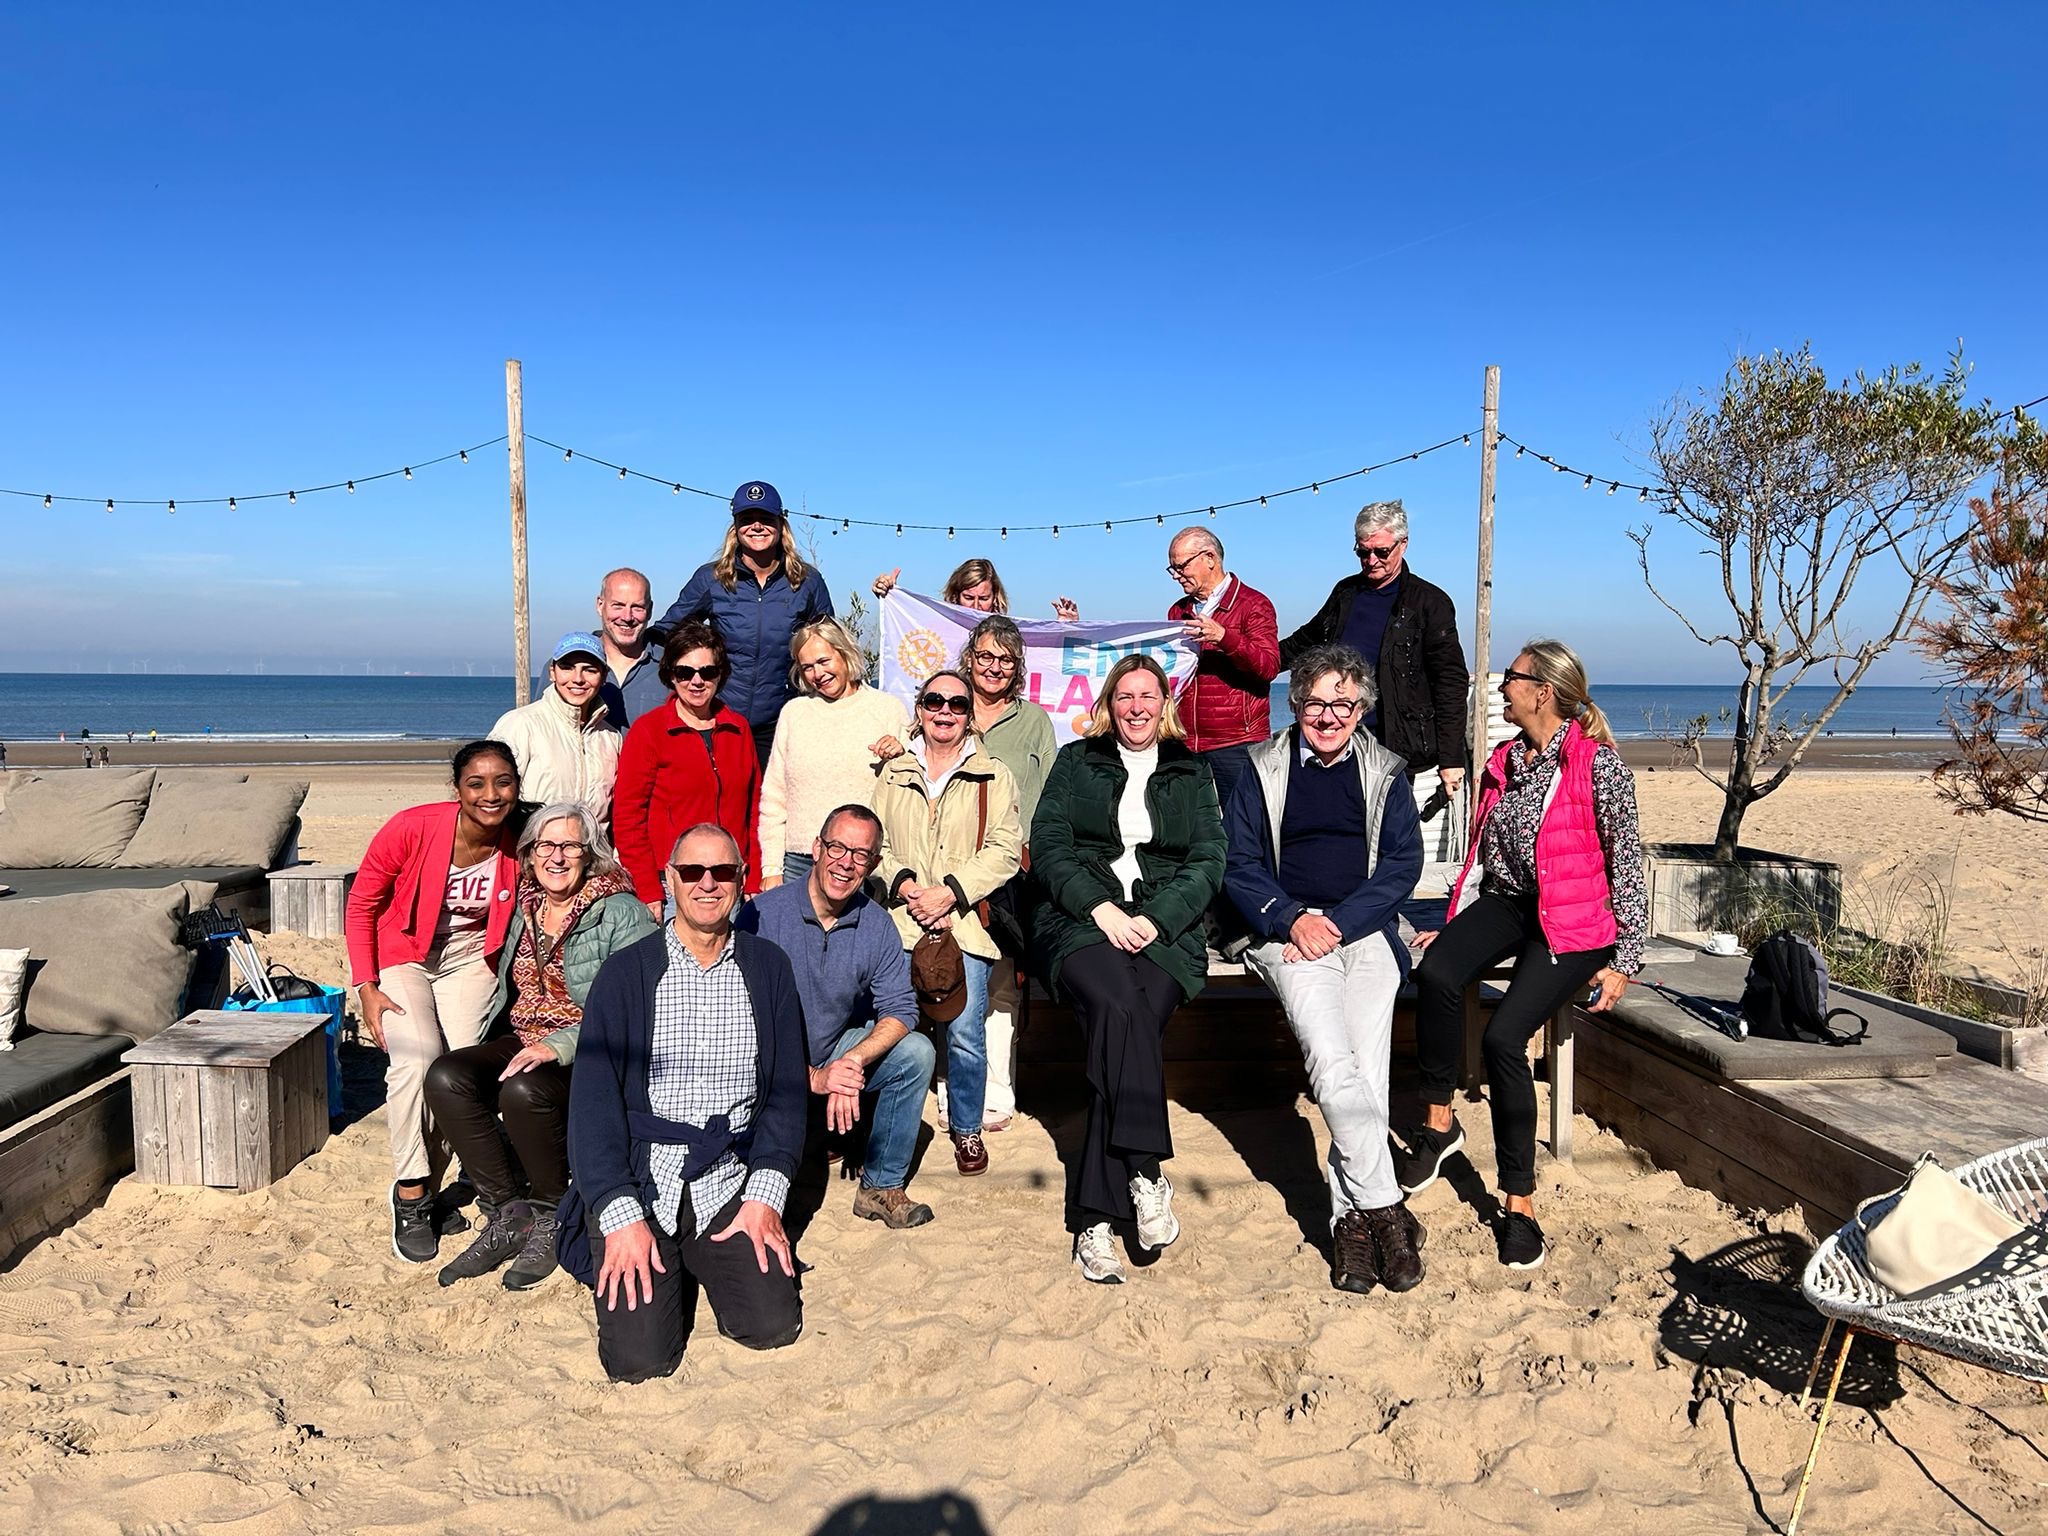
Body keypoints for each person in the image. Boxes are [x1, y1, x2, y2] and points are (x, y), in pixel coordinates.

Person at [1403, 640, 1648, 1272]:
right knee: (1436, 972)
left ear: (1543, 692)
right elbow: (1483, 855)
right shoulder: (1507, 761)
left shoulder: (1597, 765)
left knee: (1503, 1039)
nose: (1500, 687)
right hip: (1511, 904)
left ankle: (1519, 1205)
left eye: (1510, 678)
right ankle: (1440, 1124)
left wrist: (1625, 959)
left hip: (1575, 920)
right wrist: (1454, 927)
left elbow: (1626, 861)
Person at [560, 823, 806, 1383]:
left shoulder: (768, 967)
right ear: (670, 879)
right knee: (640, 1361)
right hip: (645, 1178)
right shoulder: (626, 974)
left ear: (742, 880)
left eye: (722, 871)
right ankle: (665, 1261)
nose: (707, 884)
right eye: (692, 871)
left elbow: (786, 1095)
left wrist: (765, 1196)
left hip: (729, 1177)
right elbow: (593, 1110)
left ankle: (697, 1260)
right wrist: (620, 1215)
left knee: (771, 1325)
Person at [1223, 644, 1426, 1295]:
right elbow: (1238, 863)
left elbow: (1401, 866)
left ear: (1361, 709)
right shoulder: (1261, 768)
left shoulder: (1385, 771)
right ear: (1295, 705)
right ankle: (1387, 1210)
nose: (1329, 715)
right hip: (1288, 934)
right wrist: (1290, 919)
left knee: (1367, 1072)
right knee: (1332, 1063)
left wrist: (1337, 924)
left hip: (1363, 930)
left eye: (1343, 703)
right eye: (1315, 702)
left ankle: (1349, 1222)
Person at [1028, 655, 1224, 1283]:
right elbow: (1049, 845)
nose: (1136, 708)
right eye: (1125, 697)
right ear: (1108, 705)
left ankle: (1093, 1218)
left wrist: (1158, 920)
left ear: (1164, 703)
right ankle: (1145, 1170)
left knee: (1120, 1031)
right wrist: (1100, 908)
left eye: (1147, 696)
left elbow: (1209, 858)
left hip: (1166, 929)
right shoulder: (1075, 761)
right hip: (1081, 919)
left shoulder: (1191, 769)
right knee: (1118, 1006)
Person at [423, 801, 657, 1290]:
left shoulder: (621, 912)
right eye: (546, 845)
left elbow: (639, 1003)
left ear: (590, 854)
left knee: (523, 1090)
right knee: (447, 1076)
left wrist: (560, 1045)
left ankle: (550, 1213)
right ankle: (508, 1210)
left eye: (570, 845)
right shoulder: (525, 904)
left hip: (592, 1048)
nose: (557, 856)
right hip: (524, 1036)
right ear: (529, 854)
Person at [346, 741, 524, 1264]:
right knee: (417, 1058)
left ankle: (437, 1179)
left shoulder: (522, 839)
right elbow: (362, 903)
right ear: (456, 789)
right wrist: (366, 986)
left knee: (461, 1068)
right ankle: (411, 1193)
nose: (491, 795)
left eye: (503, 782)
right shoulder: (413, 827)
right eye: (476, 783)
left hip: (471, 959)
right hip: (404, 955)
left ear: (517, 786)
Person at [737, 805, 937, 1229]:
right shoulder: (763, 916)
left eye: (860, 854)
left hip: (833, 1049)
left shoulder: (876, 925)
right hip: (768, 1061)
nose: (846, 862)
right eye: (837, 848)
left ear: (874, 865)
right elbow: (739, 1020)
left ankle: (880, 1186)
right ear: (816, 848)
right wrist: (810, 1076)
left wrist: (851, 1063)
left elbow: (901, 1008)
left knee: (917, 1053)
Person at [870, 668, 1023, 1177]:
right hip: (898, 922)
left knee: (964, 1034)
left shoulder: (993, 775)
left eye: (957, 704)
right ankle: (883, 1126)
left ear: (969, 716)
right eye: (935, 701)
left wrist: (950, 893)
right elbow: (874, 843)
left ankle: (967, 1127)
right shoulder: (894, 774)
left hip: (964, 924)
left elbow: (1005, 849)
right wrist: (906, 886)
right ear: (919, 710)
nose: (945, 711)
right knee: (890, 1027)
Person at [1280, 499, 1471, 797]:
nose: (1371, 560)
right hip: (1338, 737)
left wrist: (1451, 759)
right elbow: (1304, 642)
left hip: (1394, 748)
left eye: (1381, 552)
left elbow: (1450, 682)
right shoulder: (1345, 593)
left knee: (1389, 824)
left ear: (1403, 544)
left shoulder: (1430, 603)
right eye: (1362, 552)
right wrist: (1251, 659)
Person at [952, 614, 1055, 1133]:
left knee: (1000, 981)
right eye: (985, 656)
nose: (994, 667)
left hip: (1011, 869)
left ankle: (996, 1090)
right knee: (950, 976)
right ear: (970, 658)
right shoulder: (948, 707)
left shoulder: (1034, 720)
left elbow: (1049, 794)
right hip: (951, 867)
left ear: (1017, 667)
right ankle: (954, 1087)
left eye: (1006, 660)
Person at [652, 481, 834, 768]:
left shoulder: (807, 581)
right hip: (721, 718)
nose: (757, 526)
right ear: (736, 526)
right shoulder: (712, 578)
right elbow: (670, 630)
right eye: (747, 519)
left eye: (766, 518)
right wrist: (619, 647)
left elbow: (831, 645)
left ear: (781, 524)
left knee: (771, 797)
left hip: (781, 722)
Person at [612, 621, 764, 913]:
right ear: (671, 674)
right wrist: (648, 888)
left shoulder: (738, 729)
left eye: (707, 672)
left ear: (720, 674)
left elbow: (755, 810)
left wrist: (754, 876)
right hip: (674, 884)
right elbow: (628, 817)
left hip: (729, 880)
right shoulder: (649, 731)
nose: (696, 681)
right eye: (685, 672)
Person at [757, 618, 908, 889]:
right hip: (799, 862)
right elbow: (774, 797)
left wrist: (901, 752)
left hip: (862, 862)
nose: (818, 673)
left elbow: (913, 784)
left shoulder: (887, 709)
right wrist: (771, 868)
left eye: (824, 661)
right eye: (807, 667)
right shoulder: (794, 713)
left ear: (845, 653)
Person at [1161, 526, 1279, 813]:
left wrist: (1224, 637)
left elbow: (1269, 666)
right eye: (1172, 568)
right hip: (1186, 741)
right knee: (1189, 825)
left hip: (1238, 743)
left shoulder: (1254, 605)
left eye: (1181, 566)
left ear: (1210, 558)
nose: (1176, 575)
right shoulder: (1177, 611)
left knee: (1242, 824)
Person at [489, 631, 622, 819]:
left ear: (604, 676)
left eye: (590, 670)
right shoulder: (520, 724)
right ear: (552, 672)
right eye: (567, 668)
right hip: (532, 838)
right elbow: (491, 793)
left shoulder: (611, 737)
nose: (578, 678)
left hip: (594, 839)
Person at [871, 557, 1080, 623]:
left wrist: (1066, 629)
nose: (977, 606)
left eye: (984, 598)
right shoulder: (937, 626)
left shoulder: (1009, 632)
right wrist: (890, 595)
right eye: (969, 597)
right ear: (955, 596)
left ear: (995, 598)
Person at [591, 567, 668, 728]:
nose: (627, 617)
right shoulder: (567, 668)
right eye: (618, 606)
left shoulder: (673, 668)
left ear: (650, 610)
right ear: (600, 605)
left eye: (637, 607)